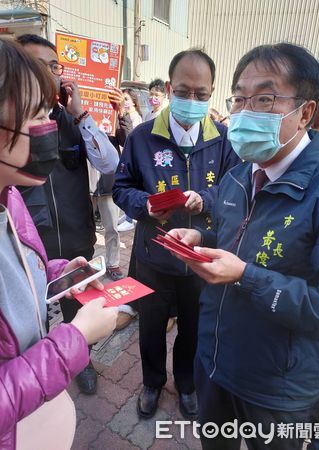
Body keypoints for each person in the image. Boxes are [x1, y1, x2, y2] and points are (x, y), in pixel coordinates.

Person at [168, 43, 319, 449]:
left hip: (278, 391)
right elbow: (233, 239)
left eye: (264, 98)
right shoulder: (239, 175)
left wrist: (245, 276)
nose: (245, 113)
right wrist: (201, 239)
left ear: (305, 113)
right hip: (214, 364)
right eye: (239, 99)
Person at [0, 38, 118, 450]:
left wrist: (54, 272)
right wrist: (74, 341)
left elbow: (17, 276)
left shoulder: (8, 197)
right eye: (31, 110)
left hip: (70, 237)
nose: (43, 125)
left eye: (53, 68)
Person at [113, 49, 239, 420]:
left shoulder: (224, 141)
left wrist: (207, 199)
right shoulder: (142, 137)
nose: (193, 100)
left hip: (200, 260)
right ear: (169, 88)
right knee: (150, 326)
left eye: (202, 94)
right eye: (184, 92)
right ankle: (151, 382)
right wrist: (145, 205)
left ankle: (186, 384)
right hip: (154, 256)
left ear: (212, 93)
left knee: (194, 328)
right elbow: (121, 187)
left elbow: (234, 189)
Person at [89, 87, 133, 283]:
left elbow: (128, 140)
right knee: (83, 228)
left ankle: (113, 263)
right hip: (84, 182)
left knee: (111, 228)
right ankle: (86, 265)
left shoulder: (112, 114)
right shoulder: (76, 113)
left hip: (108, 182)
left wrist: (121, 112)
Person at [117, 88, 143, 232]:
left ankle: (129, 218)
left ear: (133, 102)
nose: (124, 102)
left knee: (131, 185)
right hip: (125, 155)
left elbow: (131, 138)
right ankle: (127, 215)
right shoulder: (125, 115)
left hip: (133, 157)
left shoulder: (135, 117)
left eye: (126, 99)